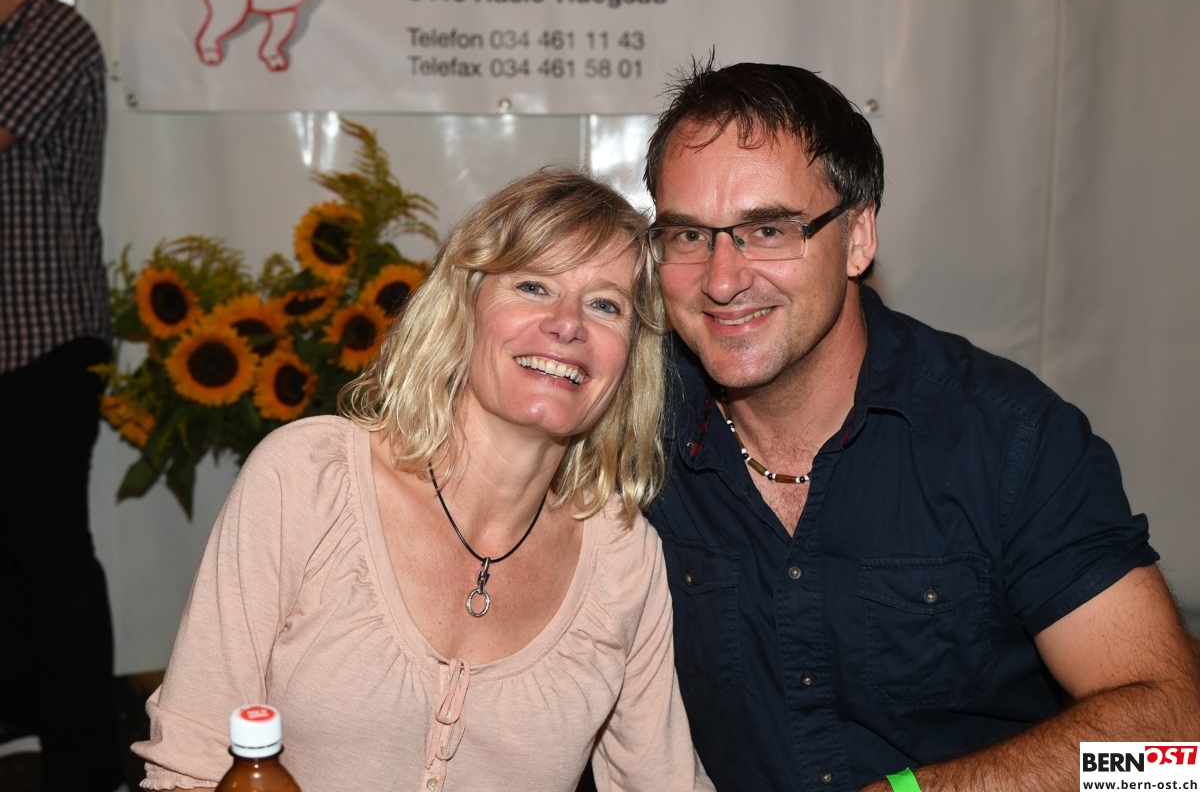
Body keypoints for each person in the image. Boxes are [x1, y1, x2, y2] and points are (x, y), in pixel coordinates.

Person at [642, 60, 1200, 792]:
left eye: (769, 229)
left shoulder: (1007, 441)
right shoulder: (628, 430)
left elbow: (1173, 754)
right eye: (689, 235)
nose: (721, 280)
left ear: (858, 236)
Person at [132, 168, 714, 792]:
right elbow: (190, 762)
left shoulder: (622, 559)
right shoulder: (308, 479)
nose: (567, 323)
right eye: (533, 286)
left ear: (630, 357)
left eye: (605, 305)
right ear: (465, 308)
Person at [0, 0, 124, 790]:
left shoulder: (51, 30)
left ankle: (86, 760)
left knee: (49, 551)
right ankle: (22, 719)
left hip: (43, 335)